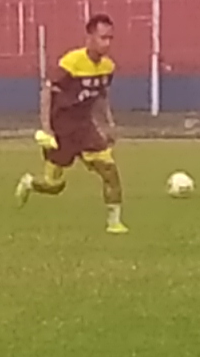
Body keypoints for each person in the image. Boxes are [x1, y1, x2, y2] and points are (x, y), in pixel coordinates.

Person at [21, 12, 129, 232]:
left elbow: (101, 98)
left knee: (110, 171)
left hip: (85, 128)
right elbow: (47, 92)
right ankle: (29, 183)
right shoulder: (71, 63)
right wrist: (47, 129)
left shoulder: (108, 67)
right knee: (54, 186)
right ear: (89, 37)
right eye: (102, 37)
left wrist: (108, 125)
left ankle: (114, 222)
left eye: (110, 38)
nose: (107, 43)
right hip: (63, 129)